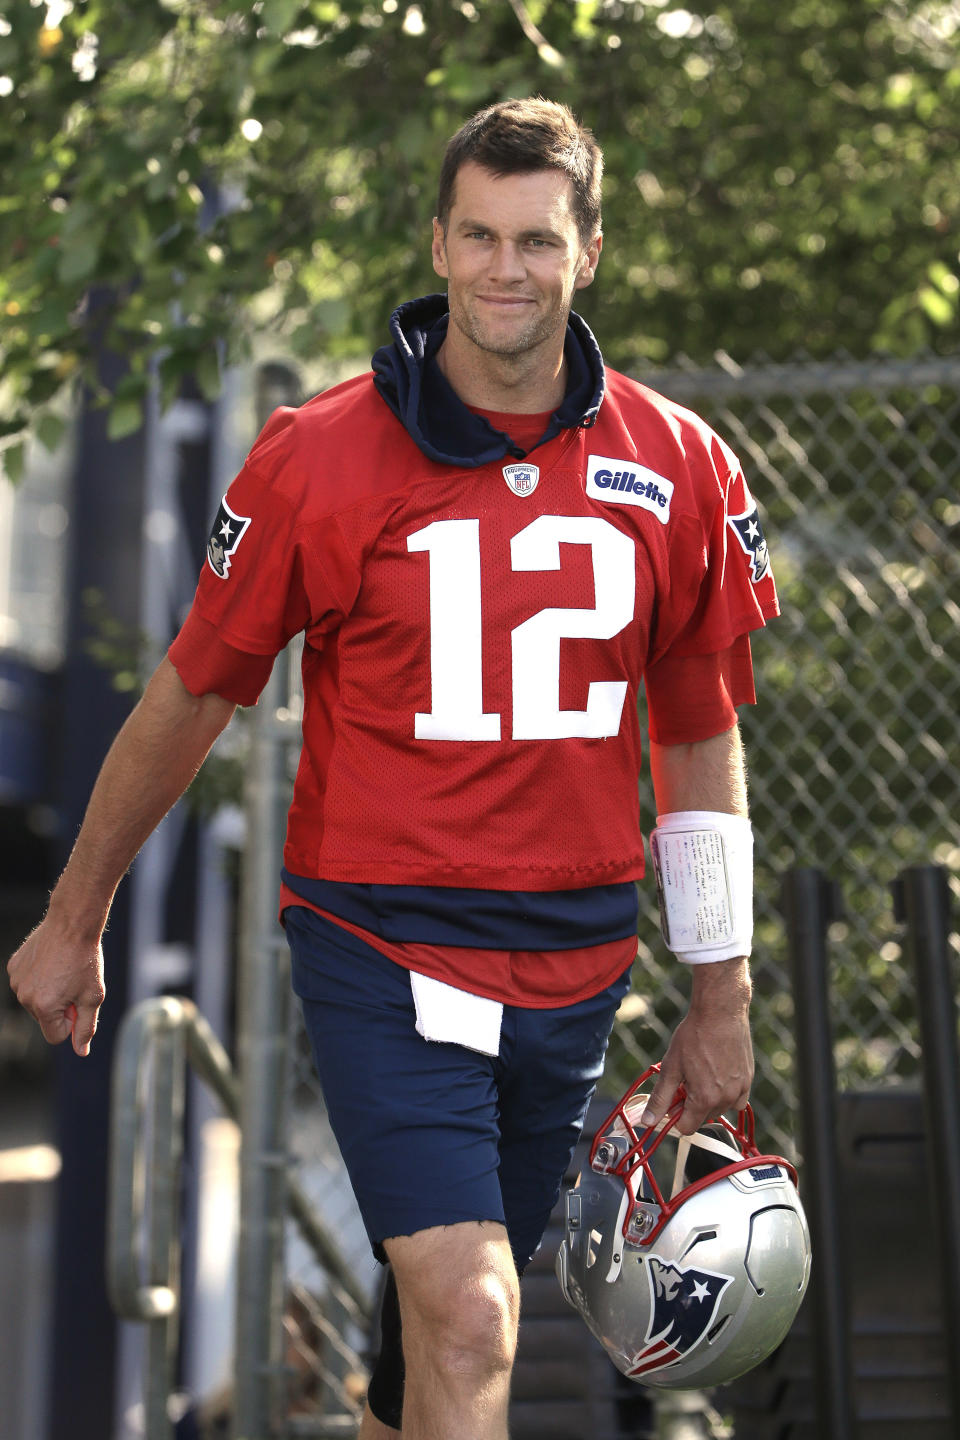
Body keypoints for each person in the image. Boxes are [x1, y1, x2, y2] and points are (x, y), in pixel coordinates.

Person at [7, 98, 778, 1440]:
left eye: (536, 241)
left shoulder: (680, 465)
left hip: (575, 963)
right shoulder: (322, 456)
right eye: (477, 235)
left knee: (422, 1357)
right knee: (475, 1315)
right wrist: (77, 914)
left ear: (588, 251)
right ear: (437, 240)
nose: (503, 270)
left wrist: (722, 994)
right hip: (386, 941)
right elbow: (194, 691)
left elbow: (698, 735)